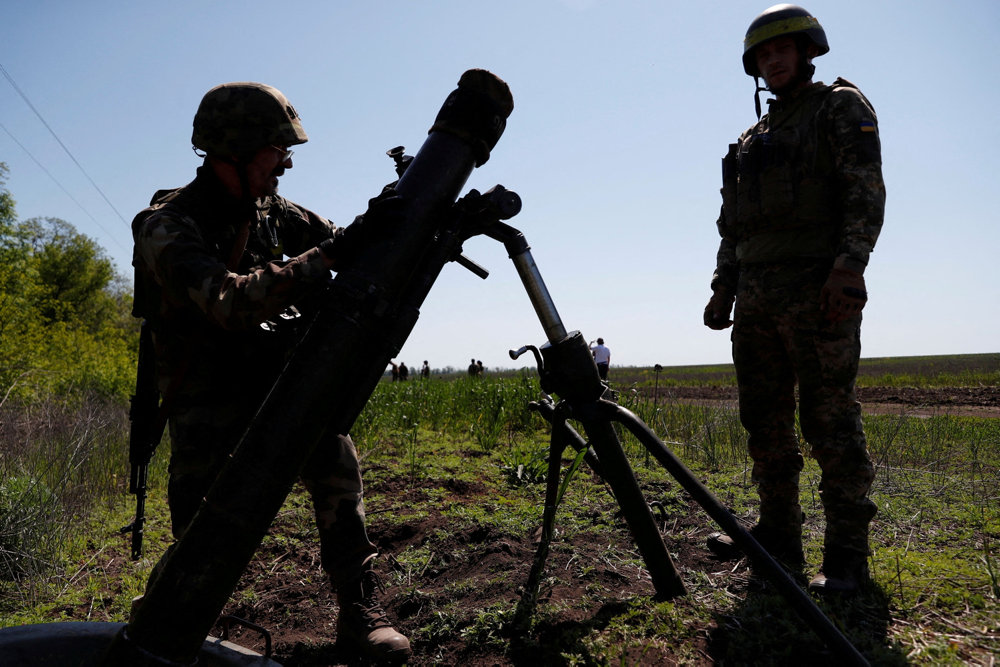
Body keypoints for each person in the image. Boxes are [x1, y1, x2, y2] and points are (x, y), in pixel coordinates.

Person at [130, 82, 410, 660]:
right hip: (208, 406)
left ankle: (360, 610)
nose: (286, 162)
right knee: (203, 540)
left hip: (278, 387)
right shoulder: (166, 225)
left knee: (337, 470)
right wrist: (329, 256)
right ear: (232, 148)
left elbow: (351, 245)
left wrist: (399, 214)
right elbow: (229, 302)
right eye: (276, 149)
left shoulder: (280, 216)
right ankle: (163, 629)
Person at [702, 5, 884, 596]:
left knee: (829, 420)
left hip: (817, 288)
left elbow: (864, 191)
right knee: (765, 419)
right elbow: (733, 224)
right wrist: (723, 286)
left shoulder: (839, 106)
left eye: (782, 50)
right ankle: (778, 534)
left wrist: (849, 267)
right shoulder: (751, 138)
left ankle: (846, 556)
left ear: (807, 51)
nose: (772, 60)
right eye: (762, 54)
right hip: (755, 296)